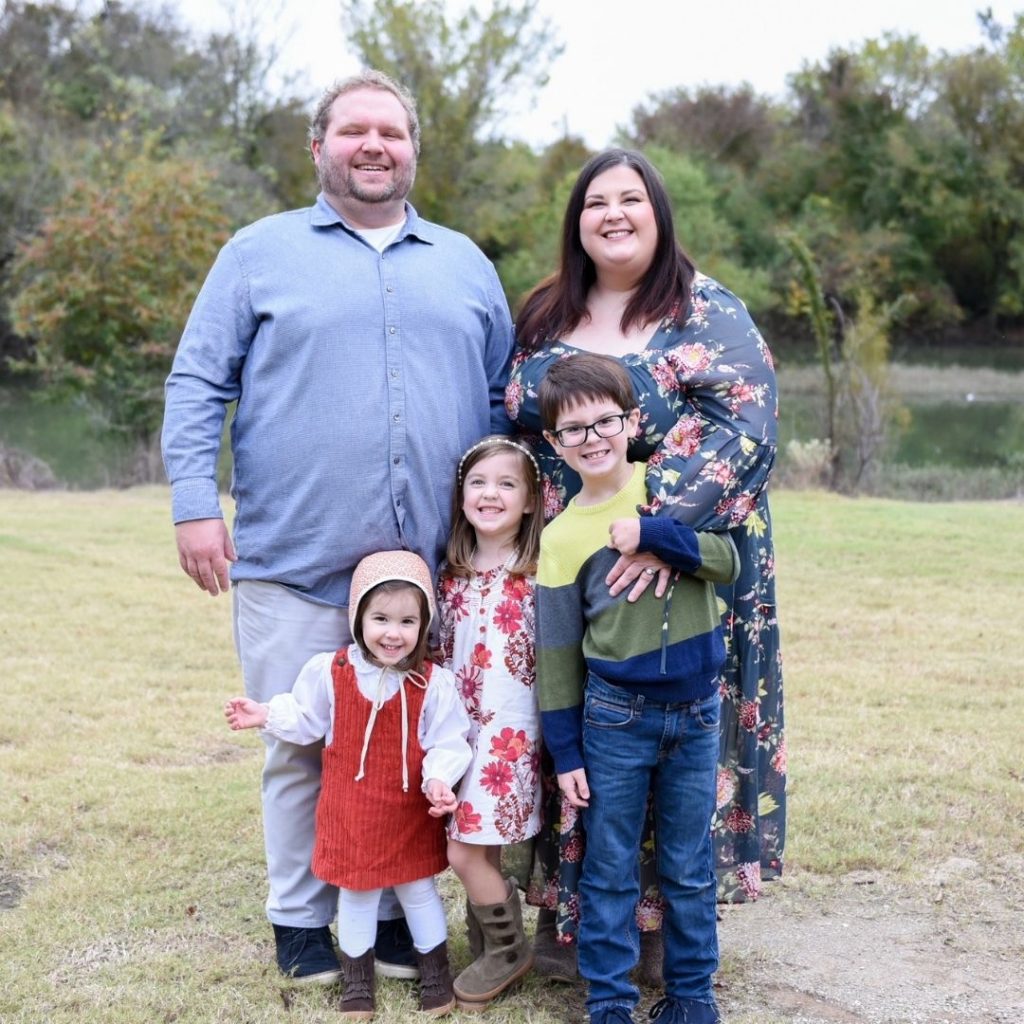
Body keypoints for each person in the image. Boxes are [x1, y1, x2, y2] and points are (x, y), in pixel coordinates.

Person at [161, 69, 514, 984]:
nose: (373, 146)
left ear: (412, 151)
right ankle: (301, 923)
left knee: (411, 751)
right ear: (317, 147)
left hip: (435, 574)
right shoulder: (257, 253)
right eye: (352, 130)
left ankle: (398, 910)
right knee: (301, 744)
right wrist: (197, 502)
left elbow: (502, 409)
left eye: (390, 133)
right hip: (295, 558)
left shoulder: (464, 264)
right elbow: (199, 382)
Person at [505, 148, 785, 978]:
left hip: (677, 557)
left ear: (659, 213)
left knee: (667, 727)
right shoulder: (543, 312)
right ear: (576, 221)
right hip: (566, 556)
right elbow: (517, 416)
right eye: (597, 202)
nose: (614, 214)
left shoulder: (705, 308)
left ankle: (662, 930)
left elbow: (747, 427)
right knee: (581, 720)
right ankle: (580, 918)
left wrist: (654, 532)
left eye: (632, 199)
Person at [535, 352, 738, 1024]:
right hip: (615, 719)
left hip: (698, 713)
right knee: (610, 866)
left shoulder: (671, 486)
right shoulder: (562, 538)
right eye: (574, 430)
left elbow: (728, 561)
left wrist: (656, 533)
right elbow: (558, 655)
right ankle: (612, 1003)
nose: (592, 439)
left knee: (687, 867)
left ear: (631, 420)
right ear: (553, 442)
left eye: (605, 422)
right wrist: (565, 753)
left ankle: (691, 998)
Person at [224, 551, 472, 1018]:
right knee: (355, 893)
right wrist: (265, 713)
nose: (392, 633)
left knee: (418, 891)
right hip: (352, 812)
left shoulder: (432, 683)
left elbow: (449, 740)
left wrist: (440, 779)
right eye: (380, 618)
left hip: (407, 812)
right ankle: (358, 984)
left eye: (406, 621)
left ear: (424, 624)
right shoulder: (331, 671)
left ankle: (436, 976)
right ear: (358, 618)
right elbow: (305, 719)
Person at [436, 436, 545, 1009]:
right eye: (478, 482)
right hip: (459, 732)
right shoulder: (449, 573)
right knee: (479, 846)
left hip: (511, 732)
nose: (491, 493)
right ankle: (487, 938)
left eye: (507, 484)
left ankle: (508, 948)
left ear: (530, 501)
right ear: (461, 496)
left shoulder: (537, 572)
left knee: (464, 850)